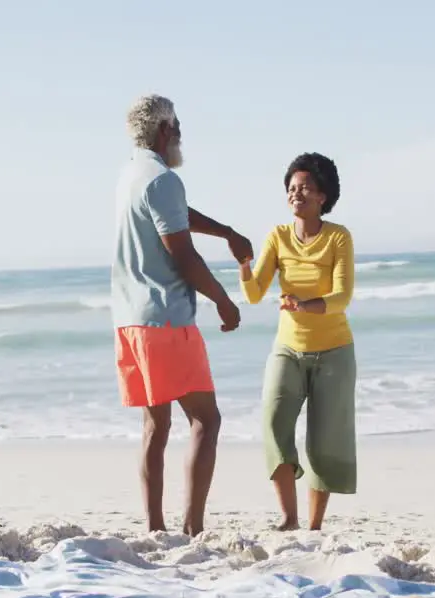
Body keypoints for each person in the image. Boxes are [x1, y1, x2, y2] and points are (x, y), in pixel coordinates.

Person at [111, 94, 254, 536]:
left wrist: (225, 231)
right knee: (206, 420)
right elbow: (184, 257)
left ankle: (155, 528)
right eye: (177, 126)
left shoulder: (131, 174)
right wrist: (223, 300)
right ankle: (193, 529)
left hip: (130, 318)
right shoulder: (163, 179)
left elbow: (173, 218)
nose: (180, 134)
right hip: (166, 320)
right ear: (164, 130)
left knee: (156, 424)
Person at [239, 152, 356, 531]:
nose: (296, 193)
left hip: (334, 351)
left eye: (305, 187)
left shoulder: (338, 237)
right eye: (291, 188)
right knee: (274, 425)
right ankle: (289, 518)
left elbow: (342, 297)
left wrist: (306, 304)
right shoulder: (277, 236)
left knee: (324, 442)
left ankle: (314, 526)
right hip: (287, 348)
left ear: (323, 195)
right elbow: (255, 293)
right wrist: (243, 266)